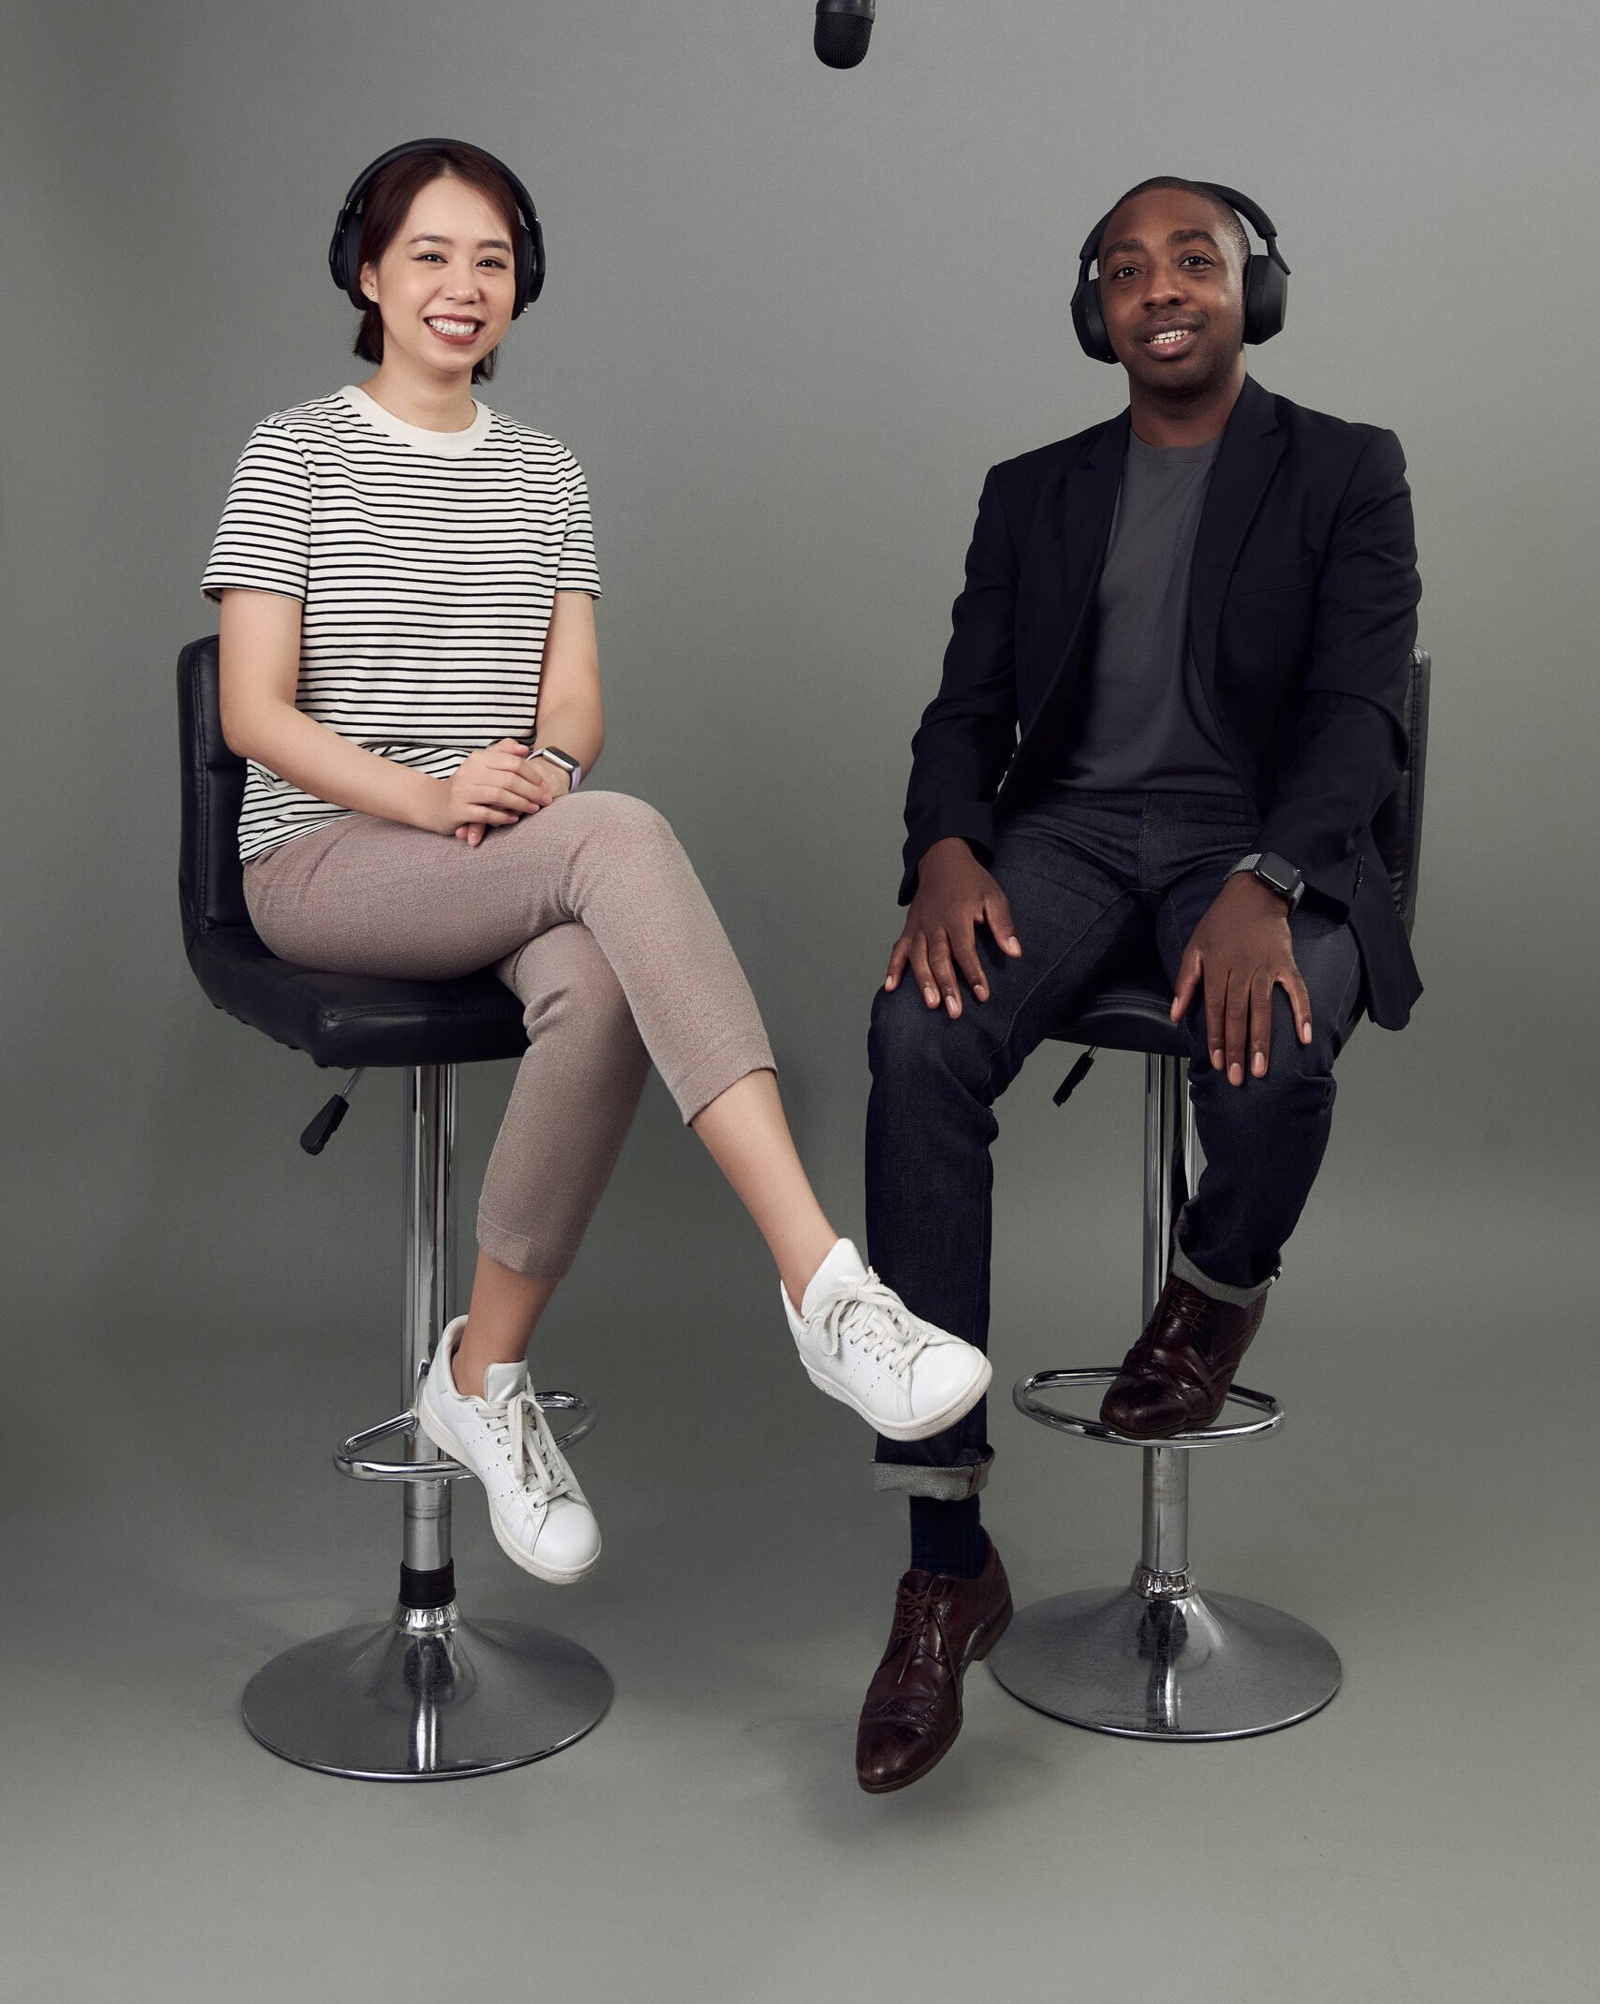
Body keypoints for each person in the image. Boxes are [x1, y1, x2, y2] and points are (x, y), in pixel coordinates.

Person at [205, 136, 990, 1590]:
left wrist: (543, 780)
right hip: (323, 857)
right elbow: (254, 714)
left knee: (600, 970)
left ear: (522, 288)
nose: (461, 284)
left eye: (492, 260)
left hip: (502, 853)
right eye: (429, 254)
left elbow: (573, 702)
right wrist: (434, 795)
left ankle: (483, 1378)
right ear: (367, 273)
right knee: (621, 836)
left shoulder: (546, 473)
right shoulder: (293, 450)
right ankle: (825, 1284)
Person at [854, 177, 1421, 1792]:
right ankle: (944, 1553)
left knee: (1278, 1038)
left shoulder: (1346, 468)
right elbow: (965, 712)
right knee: (916, 1036)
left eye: (1193, 260)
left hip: (1257, 829)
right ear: (1094, 312)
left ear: (1255, 291)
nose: (1160, 287)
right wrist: (945, 849)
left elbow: (1361, 712)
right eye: (1124, 269)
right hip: (1069, 836)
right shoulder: (1030, 490)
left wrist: (1274, 877)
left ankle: (1216, 1286)